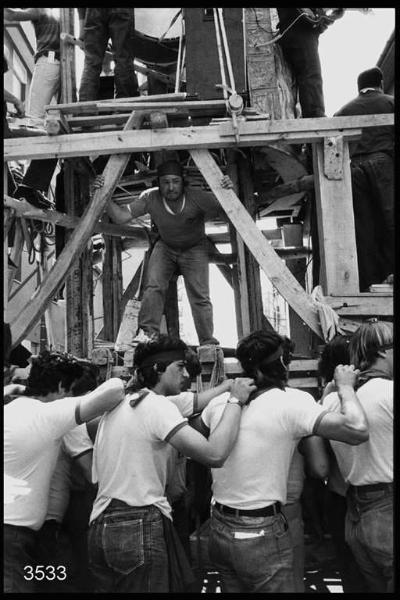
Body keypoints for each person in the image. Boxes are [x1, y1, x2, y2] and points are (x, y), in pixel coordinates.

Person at [194, 329, 368, 593]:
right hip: (262, 532)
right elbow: (356, 430)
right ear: (282, 364)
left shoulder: (220, 403)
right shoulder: (292, 402)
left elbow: (194, 437)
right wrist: (345, 388)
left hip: (220, 527)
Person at [88, 335, 256, 593]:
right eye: (179, 367)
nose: (186, 373)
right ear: (158, 369)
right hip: (138, 522)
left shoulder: (124, 403)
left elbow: (196, 402)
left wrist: (225, 387)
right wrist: (235, 401)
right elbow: (214, 455)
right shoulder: (157, 407)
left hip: (101, 525)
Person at [4, 350, 125, 593]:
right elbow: (114, 390)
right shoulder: (48, 415)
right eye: (69, 392)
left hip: (21, 538)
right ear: (61, 386)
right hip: (13, 538)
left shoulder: (10, 410)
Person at [107, 159, 234, 345]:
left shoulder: (197, 197)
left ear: (183, 182)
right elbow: (120, 217)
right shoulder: (150, 197)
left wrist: (228, 190)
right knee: (153, 287)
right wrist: (103, 195)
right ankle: (147, 334)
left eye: (175, 181)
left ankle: (207, 340)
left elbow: (228, 209)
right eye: (166, 182)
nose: (171, 187)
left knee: (200, 295)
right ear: (159, 183)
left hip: (195, 248)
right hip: (166, 246)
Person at [322, 319, 393, 592]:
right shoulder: (389, 392)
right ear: (384, 351)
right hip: (387, 508)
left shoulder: (332, 401)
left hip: (356, 514)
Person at [334, 67, 394, 291]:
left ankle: (369, 282)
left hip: (355, 169)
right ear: (380, 82)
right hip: (383, 165)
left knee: (363, 227)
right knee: (389, 221)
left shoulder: (345, 110)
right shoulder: (389, 103)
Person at [318, 334, 368, 593]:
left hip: (339, 493)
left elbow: (320, 461)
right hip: (366, 494)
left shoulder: (327, 399)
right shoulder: (363, 396)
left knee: (351, 573)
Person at [276, 9, 340, 118]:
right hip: (300, 28)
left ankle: (311, 113)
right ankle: (314, 114)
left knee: (305, 76)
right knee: (311, 73)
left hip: (294, 27)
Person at [78, 8, 139, 102]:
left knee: (91, 62)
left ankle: (85, 109)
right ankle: (123, 107)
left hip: (94, 11)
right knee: (123, 59)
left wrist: (81, 24)